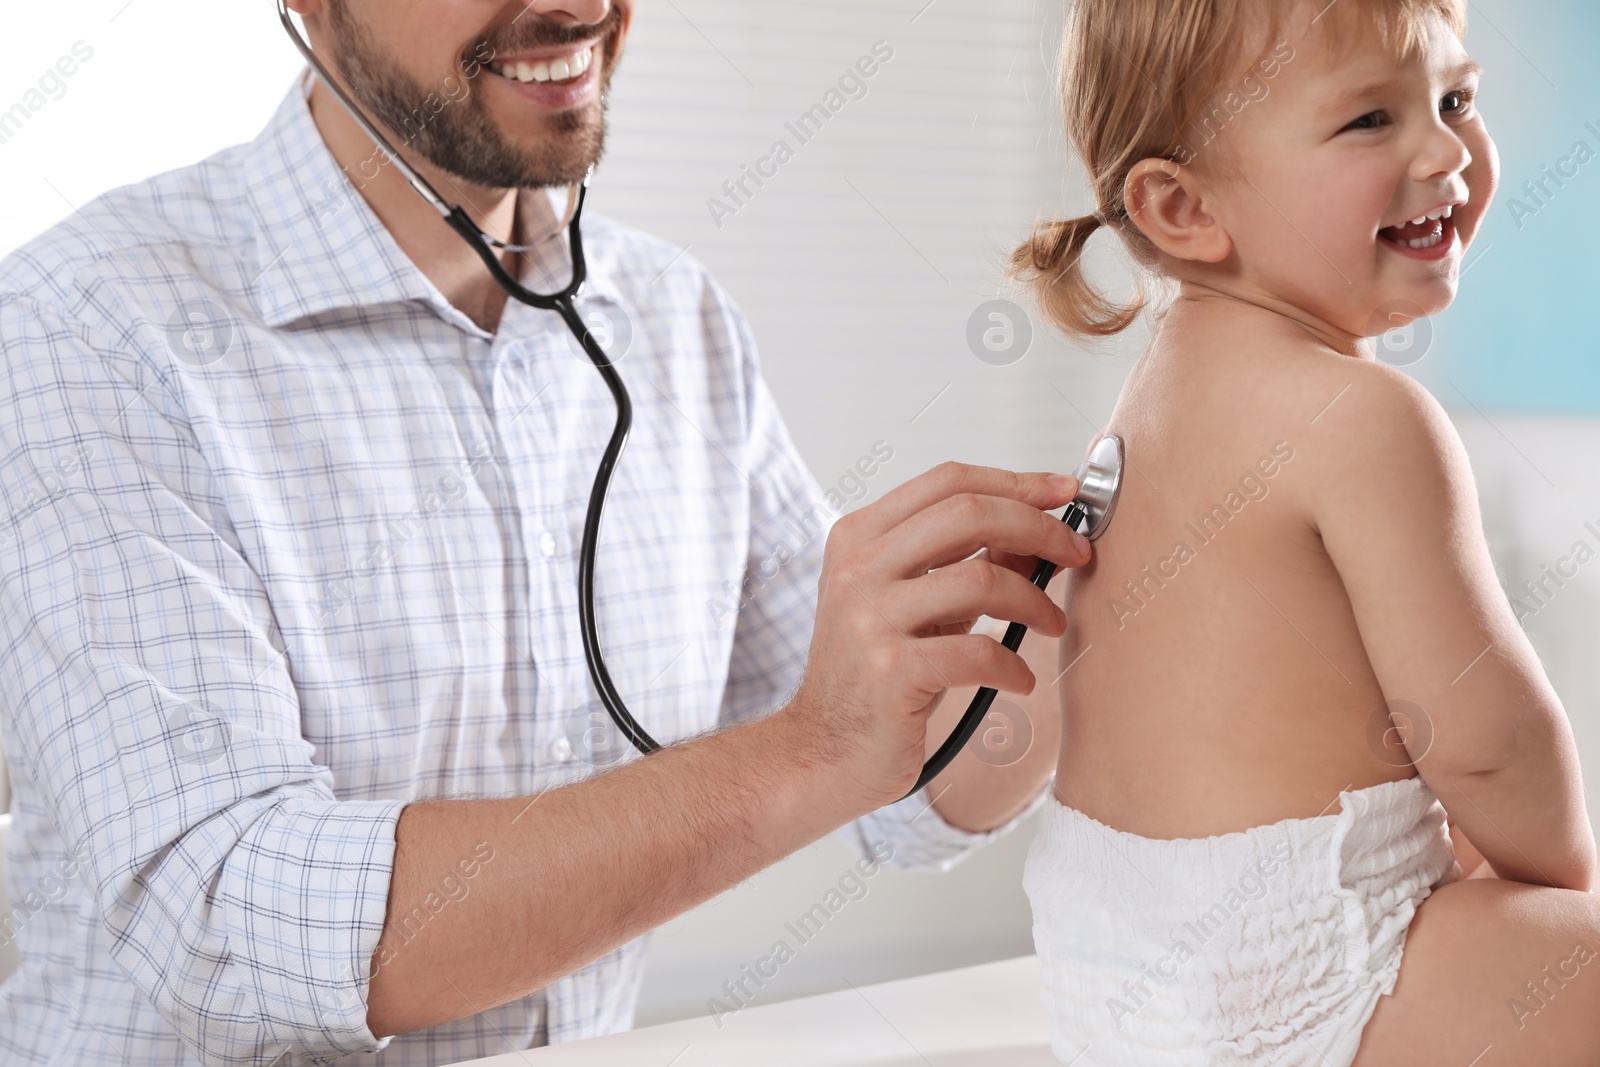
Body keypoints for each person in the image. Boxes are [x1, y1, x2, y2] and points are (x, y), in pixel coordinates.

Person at [0, 1, 1093, 1063]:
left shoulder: (672, 318)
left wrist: (1097, 590)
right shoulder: (82, 328)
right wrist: (811, 748)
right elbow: (230, 921)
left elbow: (903, 785)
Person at [1014, 0, 1600, 1063]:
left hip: (1102, 967)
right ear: (1183, 207)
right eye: (1368, 121)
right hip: (1292, 959)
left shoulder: (1147, 403)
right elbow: (1485, 745)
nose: (1443, 149)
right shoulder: (1368, 420)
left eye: (1455, 98)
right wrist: (1560, 888)